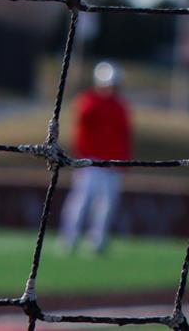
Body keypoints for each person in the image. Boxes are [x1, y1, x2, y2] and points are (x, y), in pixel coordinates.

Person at [60, 61, 132, 255]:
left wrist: (124, 162)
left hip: (112, 163)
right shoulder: (89, 101)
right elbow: (80, 124)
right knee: (81, 201)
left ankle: (97, 240)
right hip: (89, 161)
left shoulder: (120, 106)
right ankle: (69, 238)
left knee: (107, 204)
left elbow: (124, 135)